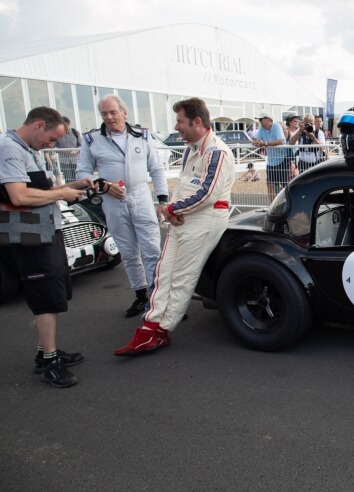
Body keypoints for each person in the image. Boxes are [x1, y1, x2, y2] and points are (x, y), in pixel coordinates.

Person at [114, 97, 235, 356]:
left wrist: (170, 209)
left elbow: (207, 194)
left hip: (205, 221)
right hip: (183, 218)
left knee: (182, 278)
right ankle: (150, 326)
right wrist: (172, 210)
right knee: (163, 273)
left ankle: (160, 332)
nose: (177, 126)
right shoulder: (192, 148)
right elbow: (186, 186)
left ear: (197, 122)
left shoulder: (218, 151)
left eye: (180, 121)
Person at [0, 107, 95, 387]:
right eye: (51, 139)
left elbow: (40, 191)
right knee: (45, 298)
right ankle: (49, 362)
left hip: (43, 230)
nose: (51, 145)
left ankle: (46, 352)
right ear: (38, 125)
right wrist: (63, 193)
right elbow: (19, 194)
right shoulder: (9, 149)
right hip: (31, 236)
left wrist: (74, 186)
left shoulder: (24, 149)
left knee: (54, 293)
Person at [76, 95, 169, 318]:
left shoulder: (142, 135)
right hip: (112, 201)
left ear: (124, 113)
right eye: (104, 114)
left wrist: (163, 200)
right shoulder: (91, 140)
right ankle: (140, 296)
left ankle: (159, 300)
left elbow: (156, 169)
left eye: (113, 112)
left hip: (141, 196)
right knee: (128, 252)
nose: (109, 118)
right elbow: (82, 172)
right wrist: (103, 186)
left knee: (152, 250)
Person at [251, 113, 286, 199]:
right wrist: (255, 142)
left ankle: (288, 206)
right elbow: (256, 140)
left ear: (267, 119)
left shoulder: (276, 126)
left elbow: (281, 141)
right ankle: (272, 207)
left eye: (261, 119)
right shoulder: (261, 129)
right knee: (270, 185)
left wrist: (265, 143)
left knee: (285, 186)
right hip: (271, 162)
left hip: (282, 160)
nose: (259, 122)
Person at [45, 116, 82, 184]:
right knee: (69, 179)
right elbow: (53, 147)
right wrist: (62, 150)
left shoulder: (75, 132)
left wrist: (76, 150)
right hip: (64, 161)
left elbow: (81, 145)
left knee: (78, 178)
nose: (66, 127)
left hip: (76, 160)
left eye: (67, 125)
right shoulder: (58, 134)